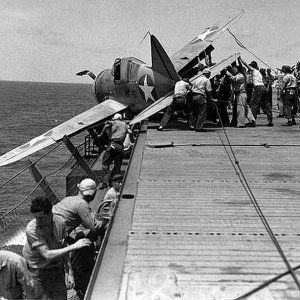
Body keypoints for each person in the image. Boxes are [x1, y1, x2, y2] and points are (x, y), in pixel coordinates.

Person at [23, 196, 91, 300]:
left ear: (50, 214)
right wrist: (74, 246)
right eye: (35, 217)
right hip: (38, 271)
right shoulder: (32, 229)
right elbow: (46, 254)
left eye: (40, 217)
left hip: (56, 268)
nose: (38, 221)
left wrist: (69, 272)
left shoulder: (60, 223)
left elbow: (62, 245)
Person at [99, 113, 132, 188]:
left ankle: (105, 182)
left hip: (112, 145)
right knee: (117, 165)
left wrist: (101, 135)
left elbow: (106, 126)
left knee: (105, 164)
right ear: (121, 118)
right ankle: (114, 181)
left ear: (114, 118)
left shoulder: (112, 122)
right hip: (120, 147)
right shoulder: (124, 124)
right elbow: (130, 132)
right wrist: (132, 141)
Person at [240, 59, 273, 126]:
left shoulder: (253, 70)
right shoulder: (258, 72)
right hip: (263, 88)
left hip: (258, 88)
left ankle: (252, 121)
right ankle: (270, 121)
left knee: (254, 104)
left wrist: (240, 59)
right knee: (266, 104)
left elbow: (245, 65)